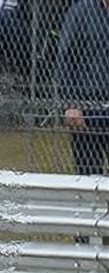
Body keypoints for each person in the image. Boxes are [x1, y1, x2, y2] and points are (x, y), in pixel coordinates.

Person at [55, 0, 109, 176]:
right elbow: (65, 57)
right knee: (88, 172)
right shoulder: (80, 11)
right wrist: (71, 105)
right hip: (87, 106)